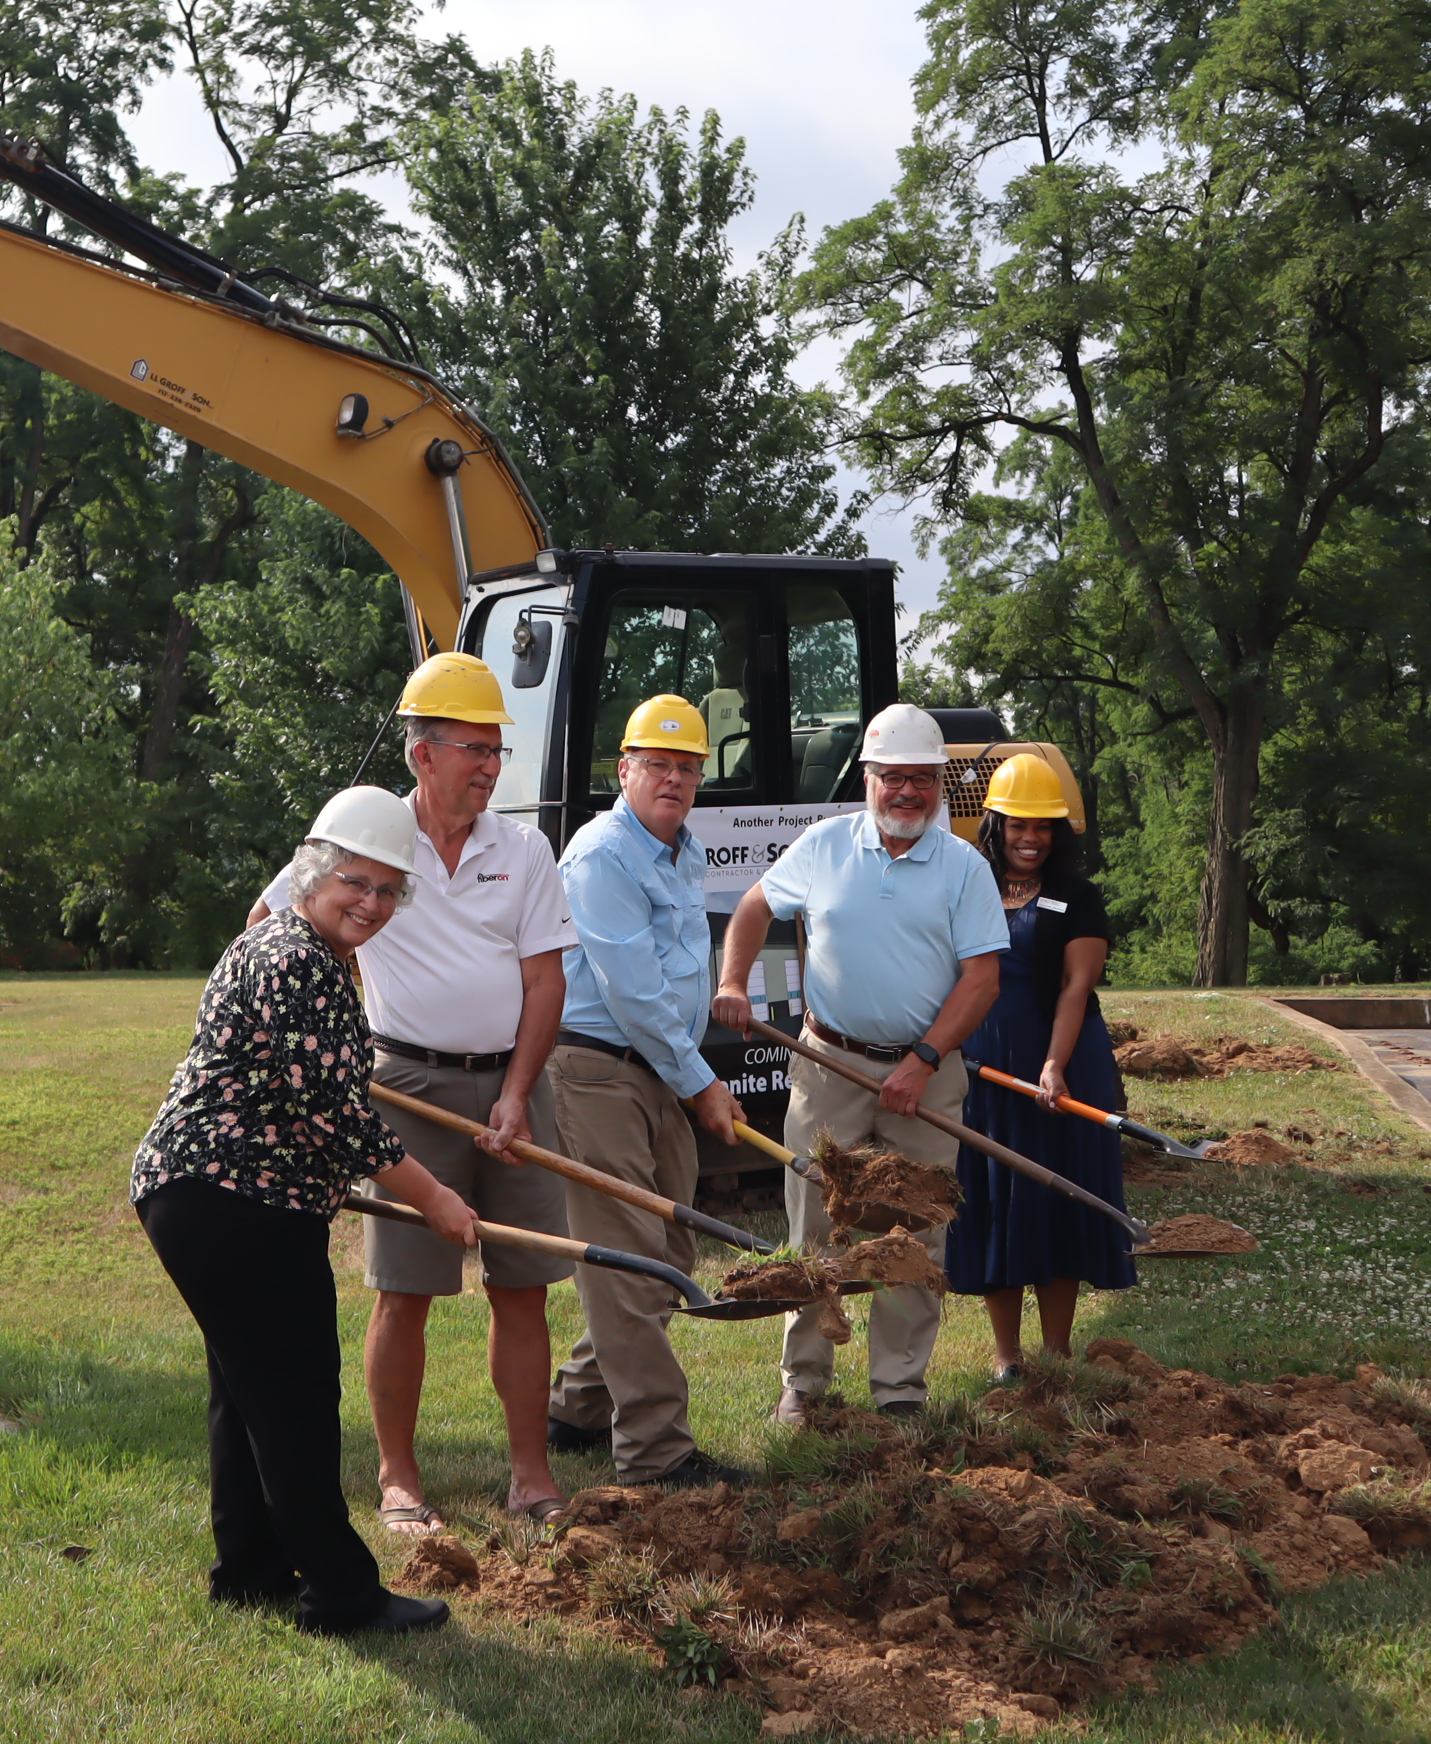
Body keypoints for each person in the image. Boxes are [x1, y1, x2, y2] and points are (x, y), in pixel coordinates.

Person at [133, 786, 474, 1636]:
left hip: (213, 1199)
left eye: (388, 891)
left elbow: (304, 1102)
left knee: (245, 1392)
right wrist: (432, 1196)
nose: (372, 903)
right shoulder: (296, 958)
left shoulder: (293, 947)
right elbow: (337, 1108)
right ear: (313, 875)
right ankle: (342, 1595)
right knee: (294, 1401)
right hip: (233, 1204)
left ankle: (250, 1571)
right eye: (356, 884)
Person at [246, 653, 576, 1532]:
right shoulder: (367, 838)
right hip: (405, 1086)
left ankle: (532, 1476)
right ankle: (399, 1478)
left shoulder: (525, 848)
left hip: (512, 1086)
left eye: (497, 749)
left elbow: (545, 984)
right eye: (474, 748)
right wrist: (324, 1018)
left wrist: (516, 1092)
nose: (492, 766)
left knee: (526, 1283)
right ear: (422, 753)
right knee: (407, 1288)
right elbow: (270, 922)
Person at [712, 703, 1007, 1423]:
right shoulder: (824, 846)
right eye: (892, 778)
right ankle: (804, 1384)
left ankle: (900, 1391)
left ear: (939, 784)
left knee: (914, 1230)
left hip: (928, 1079)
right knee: (813, 1222)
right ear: (868, 779)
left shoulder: (964, 867)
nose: (907, 793)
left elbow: (982, 978)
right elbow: (754, 906)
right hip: (827, 1066)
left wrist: (922, 1060)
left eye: (921, 780)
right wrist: (730, 982)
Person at [541, 694, 753, 1489]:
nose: (673, 779)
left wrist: (693, 1057)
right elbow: (629, 990)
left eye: (688, 767)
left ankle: (578, 1407)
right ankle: (656, 1454)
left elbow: (672, 974)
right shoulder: (601, 856)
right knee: (631, 1260)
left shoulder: (683, 850)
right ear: (622, 770)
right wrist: (703, 1082)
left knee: (668, 1250)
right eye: (657, 765)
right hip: (597, 1071)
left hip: (657, 1068)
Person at [942, 754, 1134, 1376]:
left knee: (1057, 1201)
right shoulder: (966, 885)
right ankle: (1006, 1358)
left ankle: (1056, 1354)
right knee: (995, 1199)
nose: (1031, 838)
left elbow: (1076, 988)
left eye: (1044, 827)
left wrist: (1053, 1066)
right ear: (994, 825)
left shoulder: (1077, 897)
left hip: (1062, 1062)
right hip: (982, 1066)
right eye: (1019, 825)